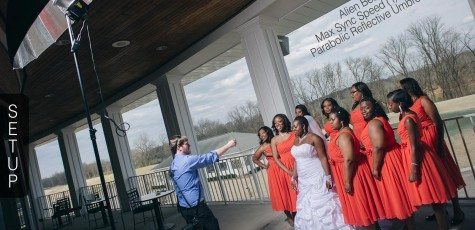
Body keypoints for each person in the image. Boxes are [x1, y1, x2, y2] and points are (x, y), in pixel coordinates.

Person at [400, 77, 465, 225]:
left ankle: (457, 210)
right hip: (423, 145)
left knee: (448, 177)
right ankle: (440, 211)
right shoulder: (409, 105)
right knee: (435, 180)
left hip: (434, 142)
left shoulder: (424, 100)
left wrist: (440, 144)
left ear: (408, 88)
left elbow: (438, 121)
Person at [387, 90, 451, 230]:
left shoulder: (409, 119)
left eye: (390, 103)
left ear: (400, 103)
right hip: (413, 155)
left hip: (419, 159)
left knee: (434, 197)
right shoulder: (405, 116)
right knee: (432, 197)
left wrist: (414, 167)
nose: (388, 106)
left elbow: (414, 145)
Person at [359, 97, 415, 228]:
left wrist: (375, 168)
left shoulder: (374, 123)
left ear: (374, 107)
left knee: (398, 197)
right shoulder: (380, 119)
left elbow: (378, 146)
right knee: (402, 196)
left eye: (367, 107)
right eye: (361, 109)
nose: (364, 111)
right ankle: (409, 226)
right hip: (391, 158)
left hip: (386, 162)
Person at [327, 106, 385, 229]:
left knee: (363, 209)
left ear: (342, 120)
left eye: (333, 119)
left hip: (353, 175)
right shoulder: (342, 133)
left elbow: (349, 159)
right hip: (350, 172)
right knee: (365, 210)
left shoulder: (344, 136)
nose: (330, 122)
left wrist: (347, 181)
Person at [290, 116, 351, 230]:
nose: (293, 129)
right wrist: (293, 177)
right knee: (306, 207)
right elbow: (296, 160)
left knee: (324, 204)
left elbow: (323, 158)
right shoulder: (295, 140)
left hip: (317, 175)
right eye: (292, 127)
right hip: (303, 180)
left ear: (303, 126)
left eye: (295, 126)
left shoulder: (315, 138)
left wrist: (328, 177)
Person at [170, 135, 237, 230]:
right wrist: (228, 145)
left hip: (183, 207)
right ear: (179, 147)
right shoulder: (187, 160)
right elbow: (209, 157)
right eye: (186, 144)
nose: (189, 145)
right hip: (197, 207)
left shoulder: (173, 164)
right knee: (212, 225)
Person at [252, 126, 290, 215]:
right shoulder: (262, 147)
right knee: (280, 193)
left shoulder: (276, 140)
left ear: (268, 132)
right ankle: (289, 216)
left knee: (288, 189)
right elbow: (254, 159)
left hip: (283, 166)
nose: (261, 136)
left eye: (263, 133)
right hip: (273, 171)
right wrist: (265, 167)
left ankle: (295, 212)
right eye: (259, 134)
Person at [270, 114, 298, 226]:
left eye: (280, 121)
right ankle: (297, 223)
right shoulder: (274, 139)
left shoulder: (293, 134)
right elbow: (276, 159)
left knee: (301, 195)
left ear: (284, 122)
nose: (278, 124)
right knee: (292, 197)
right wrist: (288, 171)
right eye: (275, 123)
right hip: (285, 170)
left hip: (298, 164)